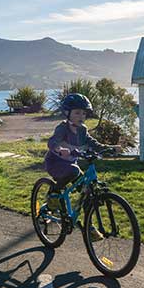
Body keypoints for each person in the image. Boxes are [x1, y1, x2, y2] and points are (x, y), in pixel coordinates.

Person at [44, 93, 120, 237]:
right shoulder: (62, 128)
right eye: (77, 113)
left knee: (88, 192)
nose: (81, 116)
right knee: (73, 170)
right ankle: (53, 194)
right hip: (55, 163)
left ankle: (88, 226)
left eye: (84, 113)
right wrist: (60, 150)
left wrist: (108, 147)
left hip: (71, 165)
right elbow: (52, 142)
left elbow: (92, 142)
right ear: (67, 113)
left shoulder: (82, 129)